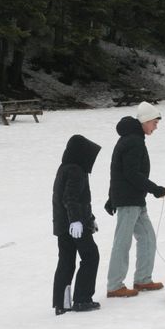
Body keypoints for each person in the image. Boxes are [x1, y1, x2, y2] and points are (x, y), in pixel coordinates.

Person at [104, 102, 165, 298]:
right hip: (129, 200)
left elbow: (117, 170)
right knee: (122, 242)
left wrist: (111, 197)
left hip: (134, 199)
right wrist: (154, 189)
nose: (156, 127)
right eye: (154, 123)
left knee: (148, 237)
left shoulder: (132, 139)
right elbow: (130, 173)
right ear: (145, 121)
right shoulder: (133, 141)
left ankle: (142, 279)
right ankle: (114, 285)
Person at [53, 135, 102, 315]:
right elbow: (70, 199)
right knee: (91, 257)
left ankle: (62, 303)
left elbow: (79, 200)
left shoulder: (65, 168)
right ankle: (82, 299)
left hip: (64, 224)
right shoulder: (75, 170)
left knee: (66, 262)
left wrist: (90, 218)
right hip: (74, 225)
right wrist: (77, 221)